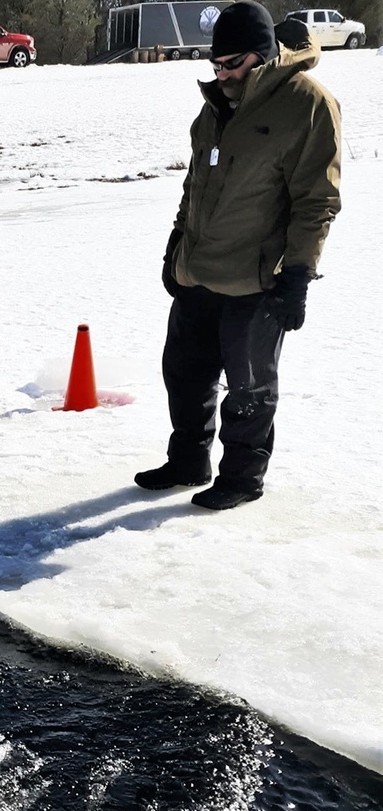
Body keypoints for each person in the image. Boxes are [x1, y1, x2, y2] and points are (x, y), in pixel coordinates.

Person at [134, 2, 341, 510]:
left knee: (249, 387)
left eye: (232, 64)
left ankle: (243, 478)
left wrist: (298, 275)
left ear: (263, 56)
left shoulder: (306, 103)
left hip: (256, 279)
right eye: (216, 65)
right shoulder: (218, 105)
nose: (221, 74)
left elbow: (317, 200)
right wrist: (176, 245)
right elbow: (196, 182)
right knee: (184, 373)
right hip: (199, 270)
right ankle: (188, 462)